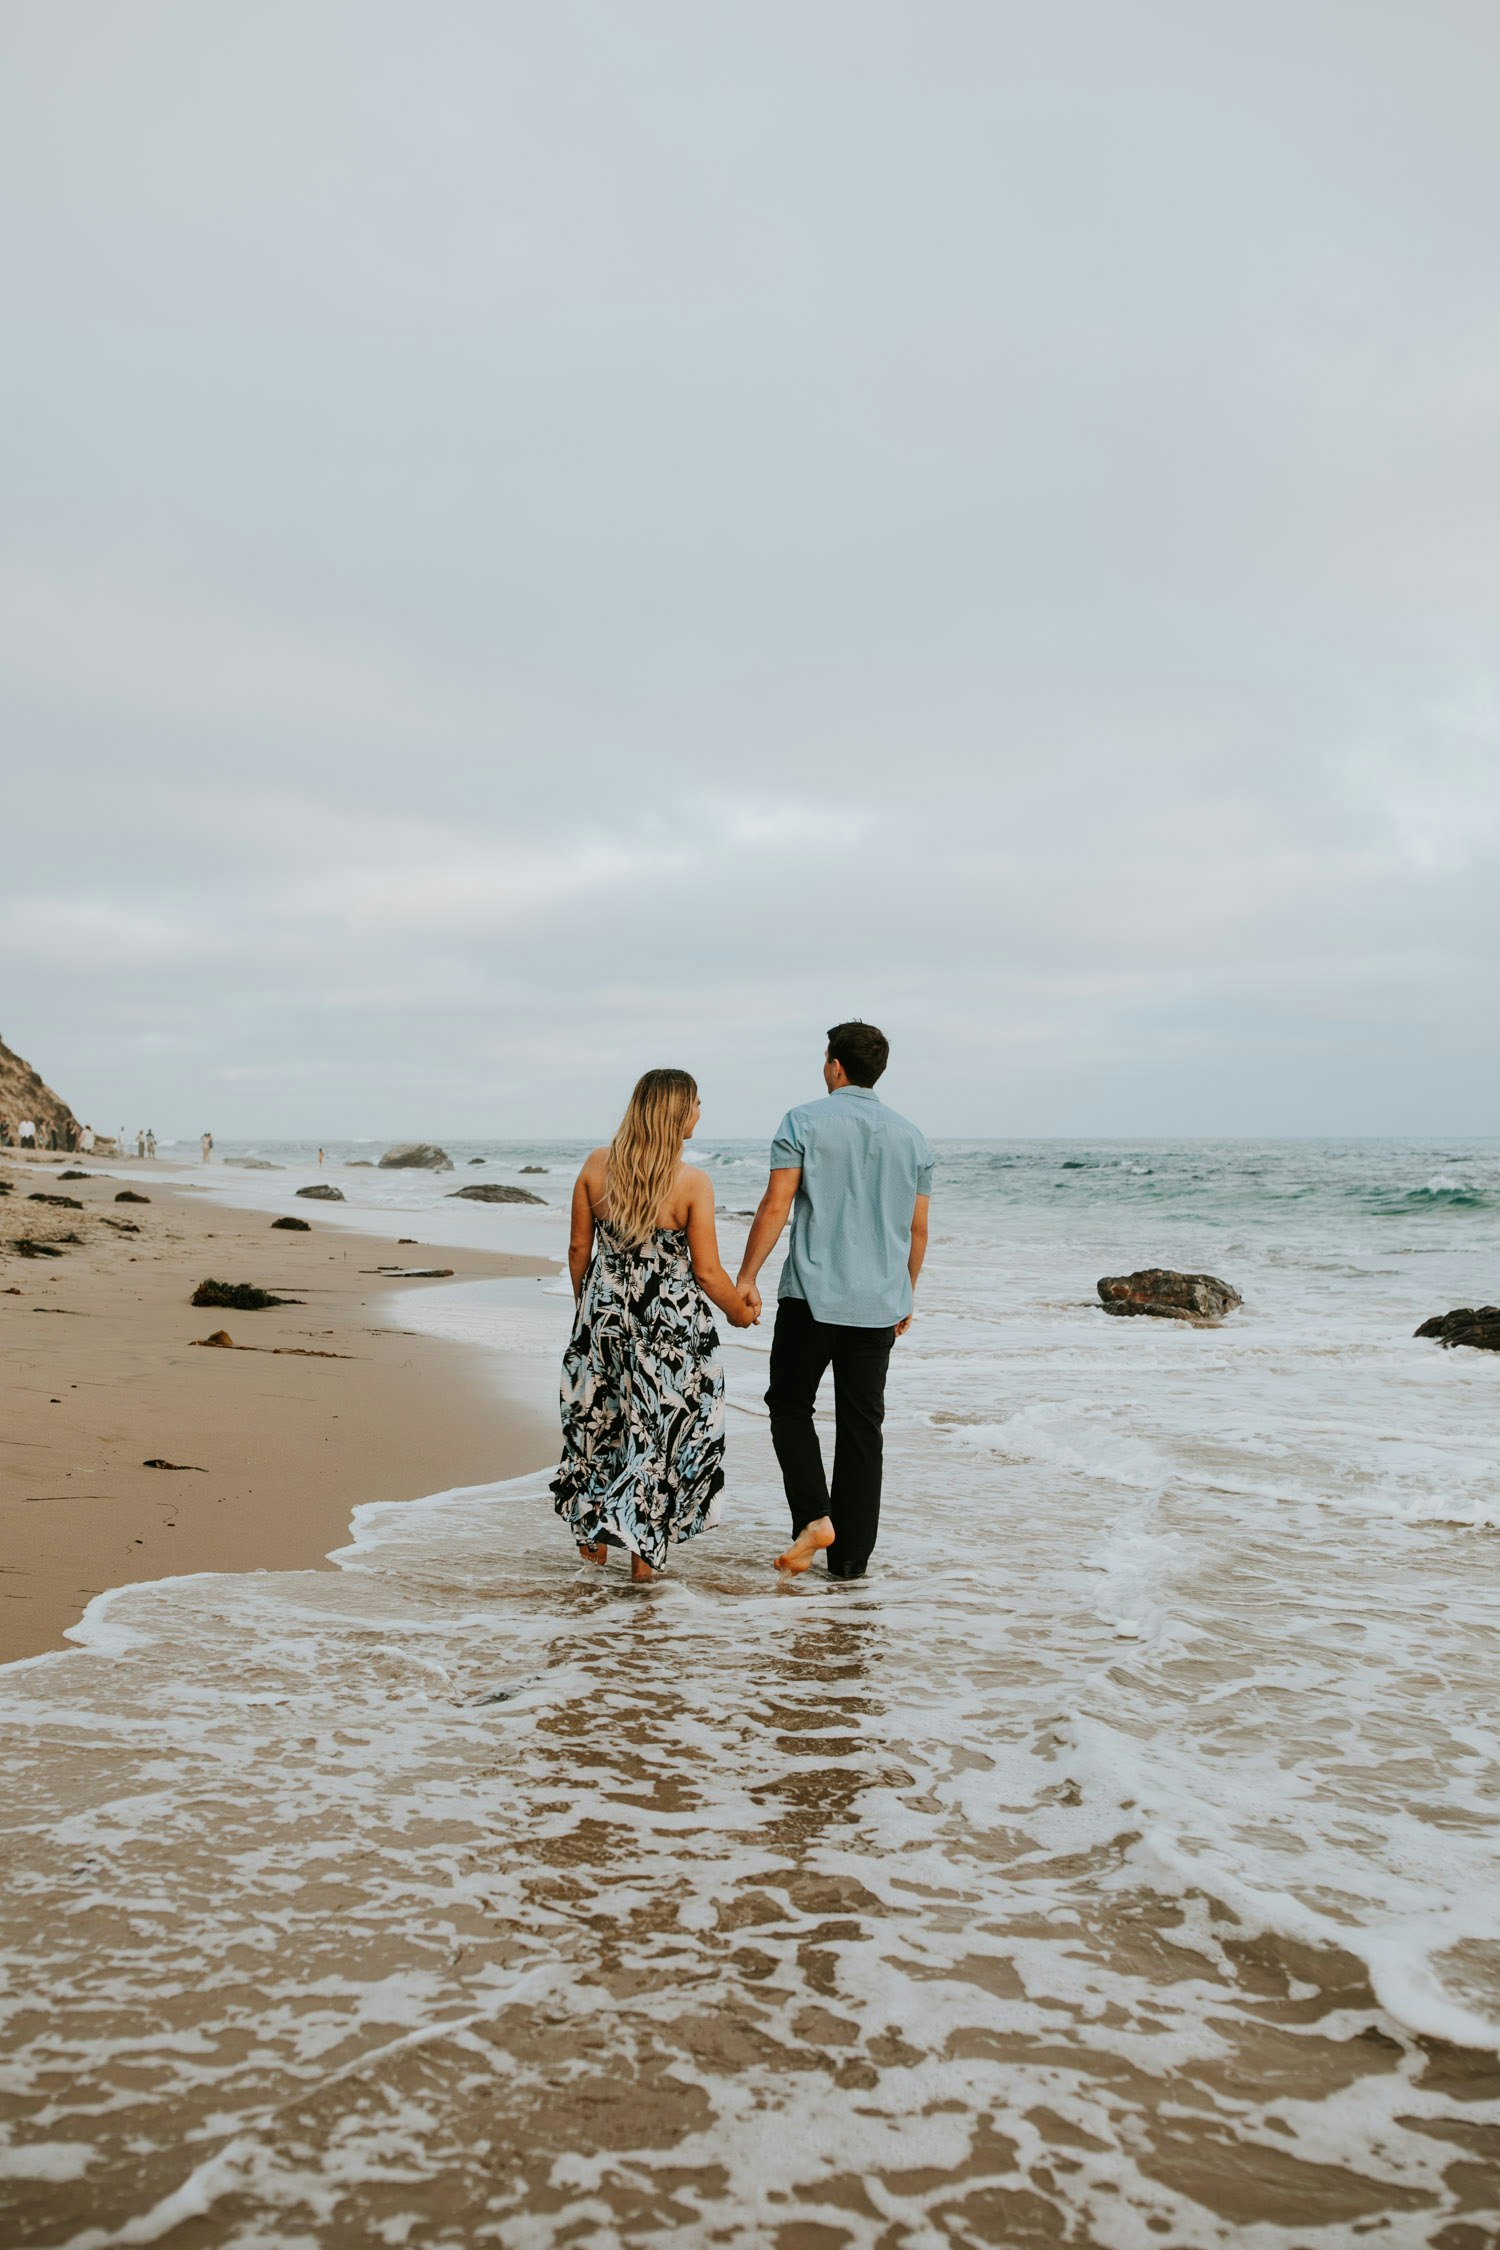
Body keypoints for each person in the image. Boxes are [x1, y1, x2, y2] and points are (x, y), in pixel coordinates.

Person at [737, 1021, 932, 1582]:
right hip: (879, 1303)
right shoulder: (912, 1137)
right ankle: (850, 1564)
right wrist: (906, 1294)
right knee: (862, 1426)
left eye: (827, 1059)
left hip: (812, 1297)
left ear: (836, 1066)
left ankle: (814, 1517)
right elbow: (918, 1231)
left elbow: (777, 1205)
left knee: (789, 1405)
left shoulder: (803, 1120)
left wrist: (747, 1275)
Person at [551, 1068, 756, 1583]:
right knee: (662, 1431)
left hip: (603, 1315)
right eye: (697, 1104)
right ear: (676, 1113)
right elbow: (707, 1272)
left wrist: (588, 1311)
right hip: (666, 1325)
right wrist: (739, 1311)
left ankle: (594, 1546)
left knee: (601, 1420)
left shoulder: (597, 1166)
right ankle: (644, 1565)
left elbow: (579, 1249)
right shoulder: (691, 1183)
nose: (701, 1113)